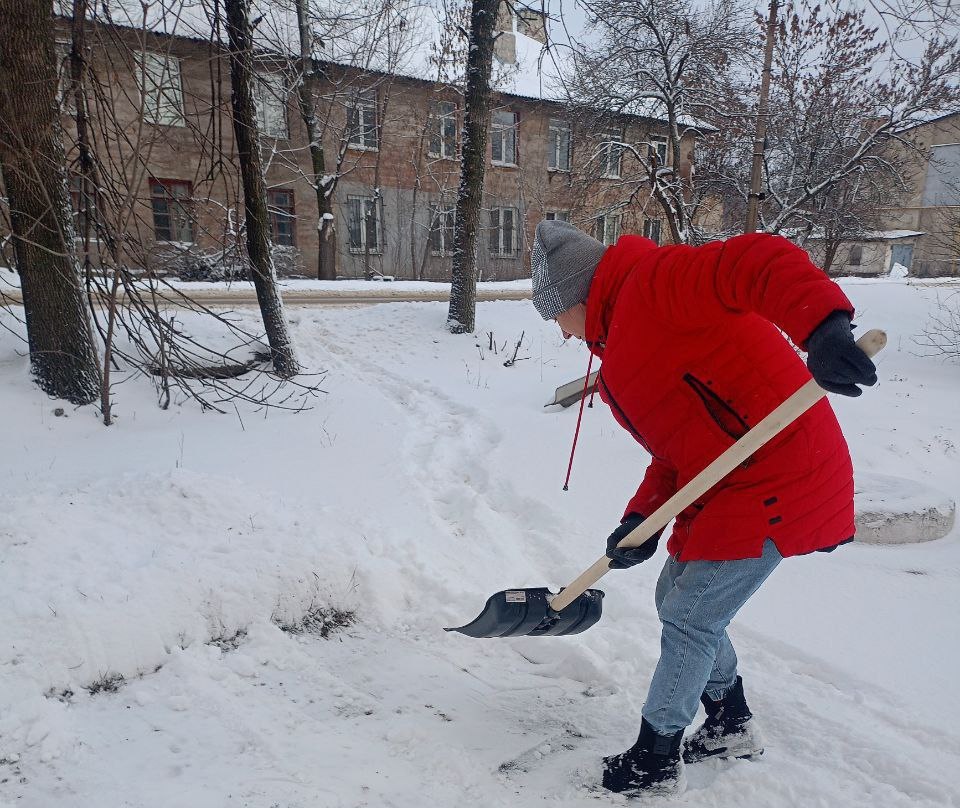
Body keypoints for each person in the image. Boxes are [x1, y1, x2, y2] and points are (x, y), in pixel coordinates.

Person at [530, 220, 877, 797]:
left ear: (577, 296)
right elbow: (677, 451)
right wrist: (641, 519)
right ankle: (729, 723)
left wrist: (822, 326)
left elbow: (754, 260)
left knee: (691, 615)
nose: (561, 333)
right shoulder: (620, 351)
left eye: (555, 316)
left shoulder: (656, 285)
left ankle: (655, 759)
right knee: (676, 598)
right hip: (730, 481)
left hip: (780, 472)